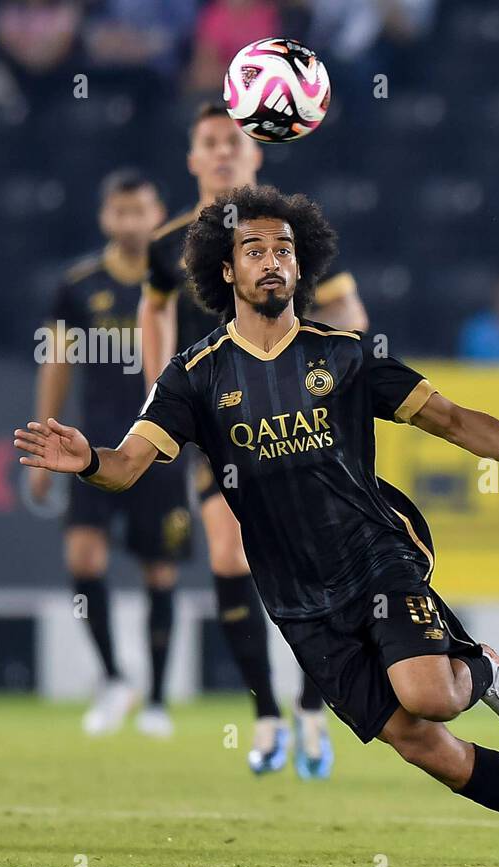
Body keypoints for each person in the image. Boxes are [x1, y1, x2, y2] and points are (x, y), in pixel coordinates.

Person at [16, 185, 499, 867]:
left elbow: (457, 420)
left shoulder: (345, 356)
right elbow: (127, 466)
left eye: (283, 249)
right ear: (225, 272)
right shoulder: (194, 377)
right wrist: (87, 461)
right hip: (296, 597)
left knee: (429, 696)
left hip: (376, 558)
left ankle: (477, 670)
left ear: (300, 264)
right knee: (424, 745)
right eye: (253, 251)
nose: (271, 261)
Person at [138, 102, 368, 777]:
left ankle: (311, 702)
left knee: (308, 561)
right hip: (219, 420)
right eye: (209, 143)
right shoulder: (168, 243)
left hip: (293, 419)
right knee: (227, 553)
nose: (222, 153)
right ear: (192, 159)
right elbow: (153, 304)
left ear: (257, 154)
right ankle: (266, 713)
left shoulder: (284, 235)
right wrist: (158, 393)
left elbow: (348, 309)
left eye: (233, 143)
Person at [32, 169, 187, 737]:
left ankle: (158, 700)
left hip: (160, 446)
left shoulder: (177, 281)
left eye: (140, 210)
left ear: (158, 213)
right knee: (84, 559)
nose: (131, 222)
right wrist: (46, 438)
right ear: (105, 218)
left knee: (160, 571)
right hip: (92, 448)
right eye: (120, 211)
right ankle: (114, 678)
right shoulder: (77, 285)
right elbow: (57, 365)